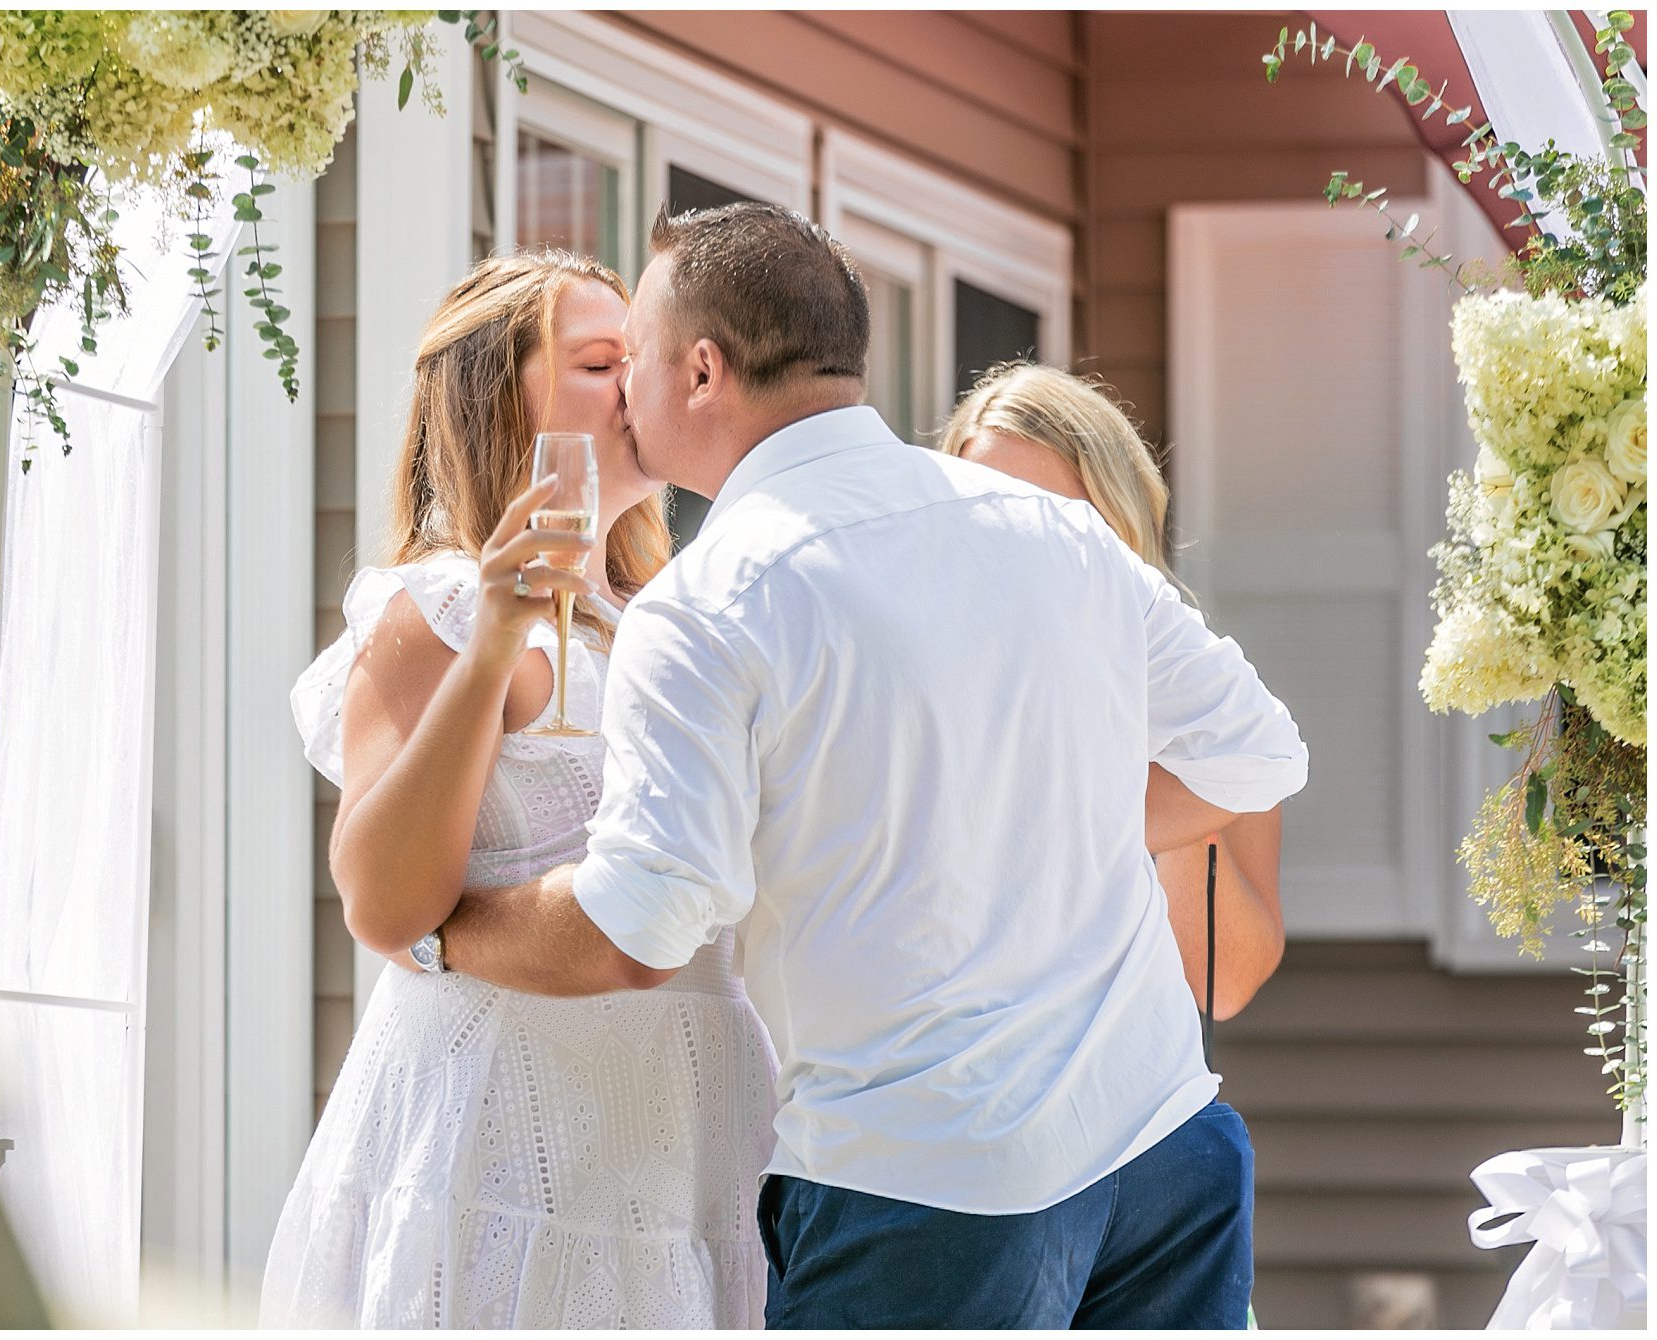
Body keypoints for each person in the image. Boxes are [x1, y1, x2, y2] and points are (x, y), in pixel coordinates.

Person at [423, 204, 1309, 1329]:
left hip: (928, 1187)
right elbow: (1255, 753)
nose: (622, 388)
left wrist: (444, 924)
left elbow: (638, 929)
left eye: (633, 356)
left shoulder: (707, 604)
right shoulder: (1055, 532)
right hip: (1166, 1151)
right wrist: (1030, 819)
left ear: (700, 370)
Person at [259, 250, 778, 1329]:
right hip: (499, 1127)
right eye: (601, 362)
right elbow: (383, 902)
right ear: (503, 399)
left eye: (639, 358)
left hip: (692, 1129)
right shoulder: (437, 608)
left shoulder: (676, 614)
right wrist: (496, 636)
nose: (638, 384)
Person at [938, 361, 1286, 1023]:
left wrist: (1156, 742)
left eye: (1051, 526)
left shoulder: (1218, 722)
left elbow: (1222, 984)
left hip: (1127, 1109)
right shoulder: (913, 699)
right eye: (987, 522)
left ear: (1118, 533)